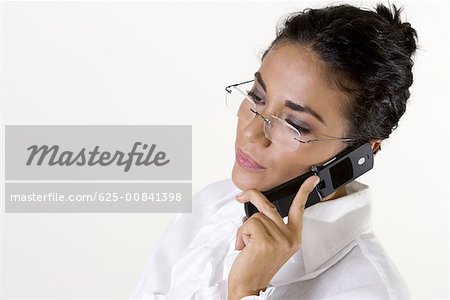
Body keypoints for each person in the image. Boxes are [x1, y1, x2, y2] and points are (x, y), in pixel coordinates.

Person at [130, 2, 418, 299]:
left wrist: (245, 291)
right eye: (257, 96)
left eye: (294, 124)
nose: (252, 131)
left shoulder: (369, 290)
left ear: (362, 150)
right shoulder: (213, 206)